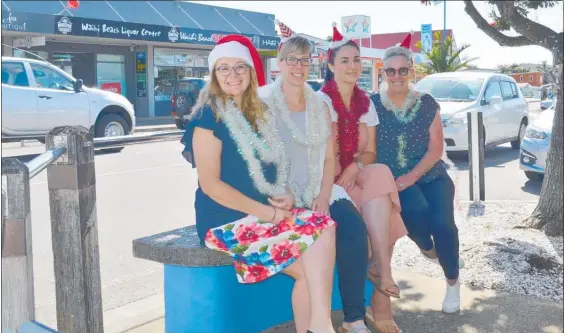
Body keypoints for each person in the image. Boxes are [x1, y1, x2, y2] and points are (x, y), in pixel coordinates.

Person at [182, 34, 338, 333]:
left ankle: (320, 324)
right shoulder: (207, 116)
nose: (232, 74)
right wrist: (269, 214)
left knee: (324, 227)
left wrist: (285, 195)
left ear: (251, 72)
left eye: (240, 66)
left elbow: (273, 168)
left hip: (262, 211)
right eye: (223, 68)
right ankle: (321, 326)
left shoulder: (258, 114)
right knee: (310, 269)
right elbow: (211, 185)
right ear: (214, 75)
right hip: (225, 219)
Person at [261, 22, 370, 333]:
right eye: (292, 59)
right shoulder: (262, 101)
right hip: (280, 197)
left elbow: (328, 158)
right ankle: (319, 327)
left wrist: (323, 195)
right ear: (279, 63)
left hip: (317, 189)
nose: (298, 66)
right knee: (316, 246)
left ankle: (353, 317)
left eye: (305, 60)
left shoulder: (319, 105)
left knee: (351, 227)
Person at [318, 23, 406, 333]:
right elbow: (325, 158)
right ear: (330, 66)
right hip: (329, 184)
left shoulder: (366, 103)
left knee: (380, 173)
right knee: (380, 204)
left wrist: (356, 165)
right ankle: (381, 274)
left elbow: (371, 153)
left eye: (356, 60)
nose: (352, 66)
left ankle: (381, 268)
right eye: (344, 60)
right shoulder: (322, 102)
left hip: (354, 177)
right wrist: (347, 171)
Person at [371, 32, 464, 314]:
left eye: (403, 70)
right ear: (383, 72)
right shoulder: (372, 105)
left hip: (431, 175)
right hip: (394, 181)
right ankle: (427, 249)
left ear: (411, 71)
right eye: (391, 70)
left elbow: (435, 148)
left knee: (445, 226)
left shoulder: (426, 103)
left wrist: (410, 177)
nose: (397, 75)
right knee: (416, 213)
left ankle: (452, 281)